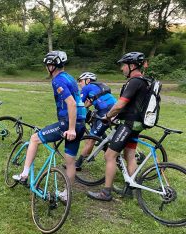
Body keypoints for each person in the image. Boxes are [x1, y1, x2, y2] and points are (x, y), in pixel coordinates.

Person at [12, 51, 86, 202]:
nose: (47, 67)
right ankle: (66, 193)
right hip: (80, 123)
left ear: (53, 65)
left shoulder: (57, 80)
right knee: (70, 161)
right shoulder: (69, 77)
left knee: (34, 139)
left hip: (68, 125)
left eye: (48, 65)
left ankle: (24, 174)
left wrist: (70, 128)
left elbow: (71, 103)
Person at [87, 52, 149, 201]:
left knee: (109, 155)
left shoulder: (134, 82)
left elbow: (120, 104)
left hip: (128, 125)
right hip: (137, 124)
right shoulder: (144, 82)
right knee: (129, 155)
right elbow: (131, 106)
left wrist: (107, 116)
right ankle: (130, 188)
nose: (122, 68)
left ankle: (106, 192)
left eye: (124, 65)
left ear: (132, 66)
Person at [75, 72, 117, 170]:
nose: (80, 83)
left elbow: (79, 104)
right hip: (114, 109)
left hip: (106, 113)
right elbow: (98, 101)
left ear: (88, 80)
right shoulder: (99, 86)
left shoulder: (87, 88)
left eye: (80, 81)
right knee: (96, 125)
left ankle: (77, 164)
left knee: (91, 138)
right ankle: (103, 146)